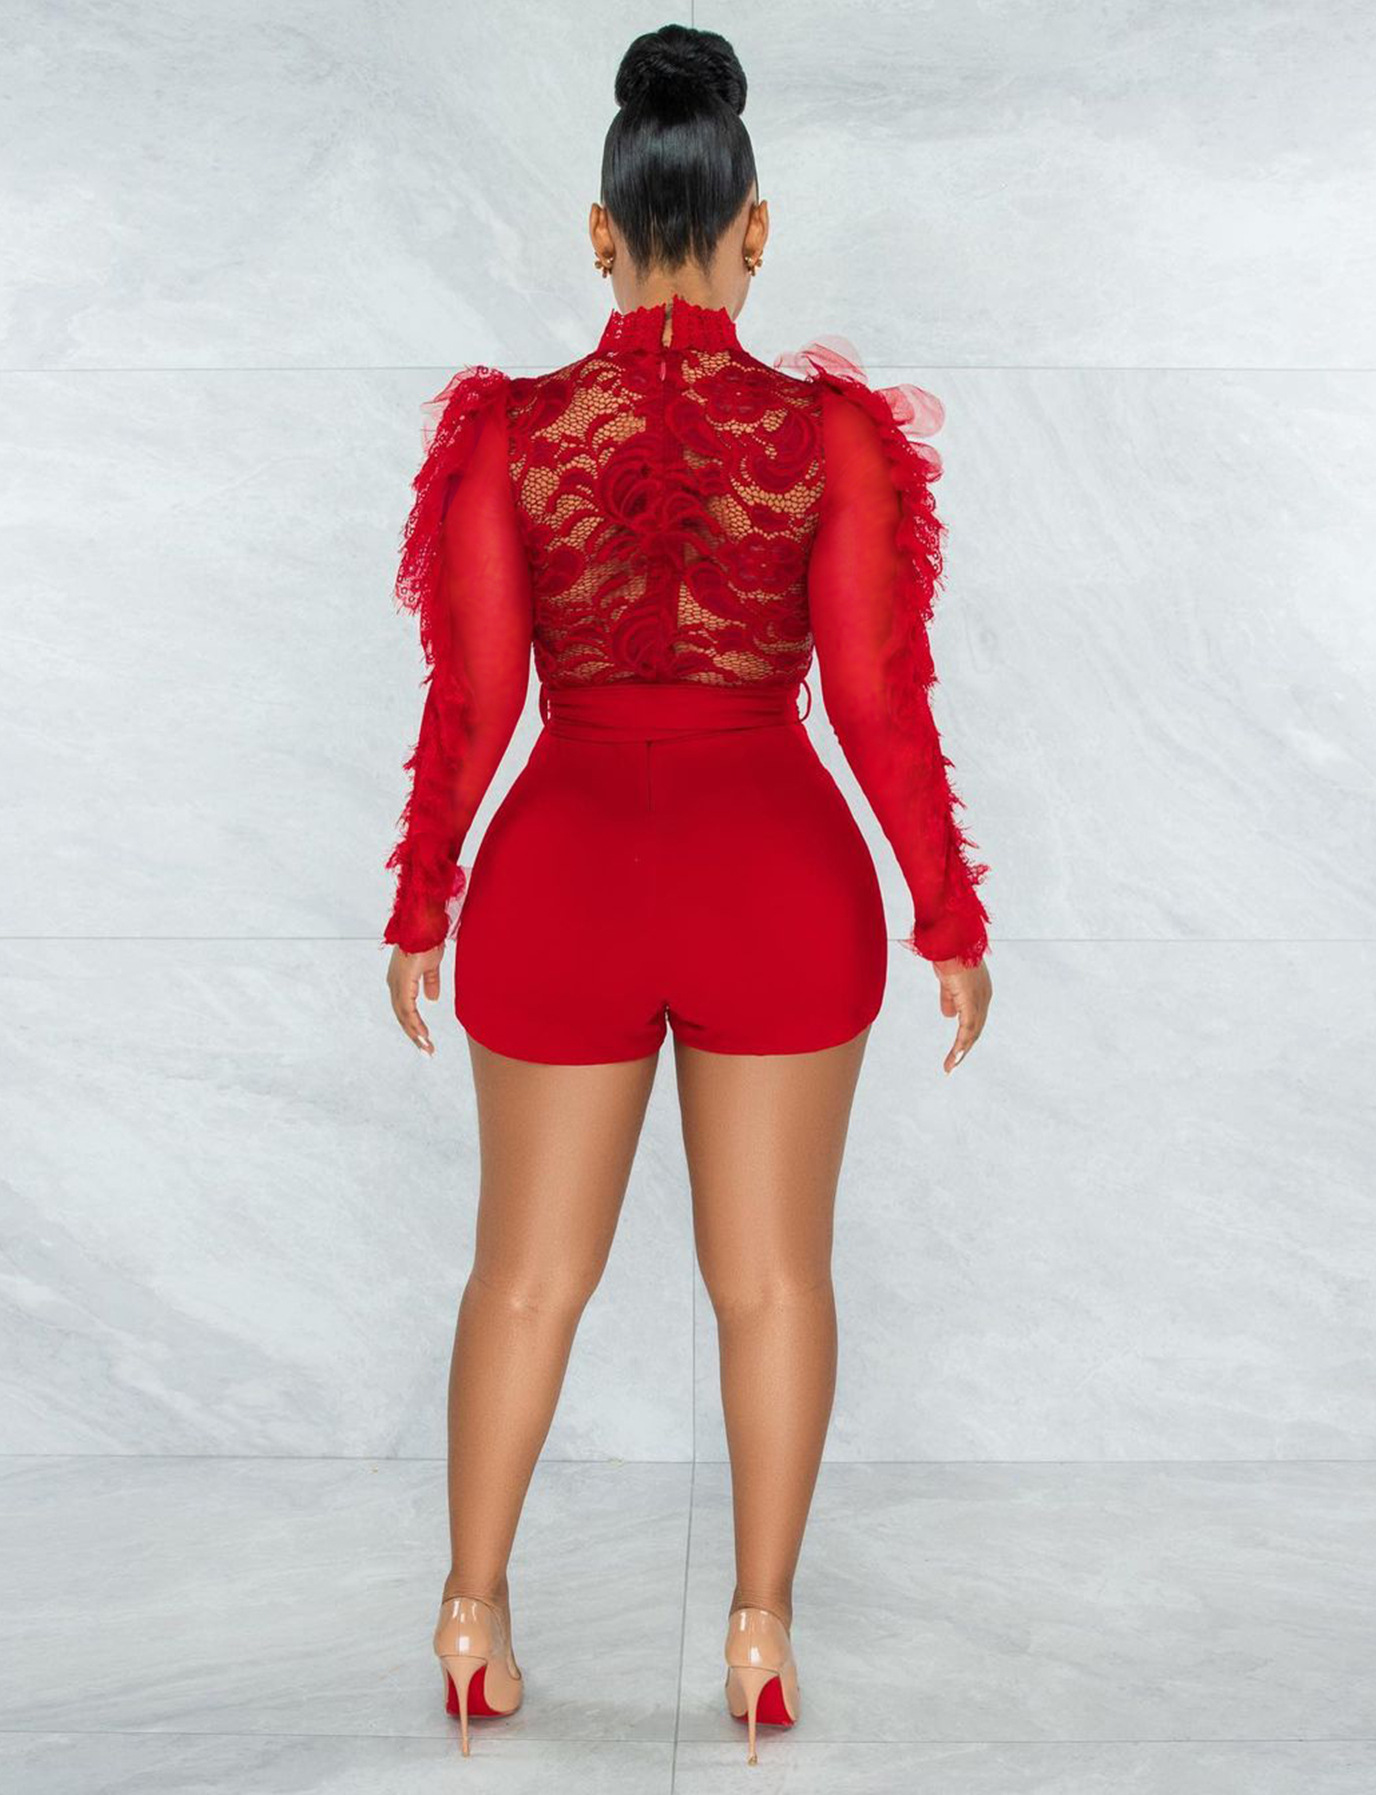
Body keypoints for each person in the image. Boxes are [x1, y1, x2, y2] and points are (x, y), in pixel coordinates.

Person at [381, 22, 993, 1764]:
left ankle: (472, 1614)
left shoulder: (510, 435)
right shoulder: (829, 436)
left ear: (600, 232)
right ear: (754, 228)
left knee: (522, 1277)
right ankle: (759, 1633)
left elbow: (476, 702)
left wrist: (423, 897)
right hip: (775, 877)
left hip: (562, 873)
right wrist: (947, 915)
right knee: (773, 1280)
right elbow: (875, 701)